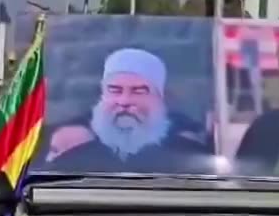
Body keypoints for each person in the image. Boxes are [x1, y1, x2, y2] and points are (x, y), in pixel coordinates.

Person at [47, 47, 211, 173]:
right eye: (115, 91)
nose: (124, 101)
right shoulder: (73, 154)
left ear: (159, 98)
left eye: (138, 91)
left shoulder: (189, 154)